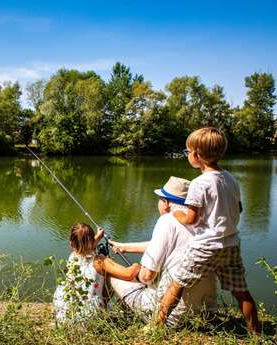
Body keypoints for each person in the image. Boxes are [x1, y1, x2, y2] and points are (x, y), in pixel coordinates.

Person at [156, 128, 259, 333]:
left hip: (205, 246)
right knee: (241, 292)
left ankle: (156, 327)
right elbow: (238, 209)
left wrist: (177, 215)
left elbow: (191, 220)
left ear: (195, 155)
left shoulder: (198, 183)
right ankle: (256, 333)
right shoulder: (231, 179)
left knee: (177, 284)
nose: (188, 156)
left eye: (187, 152)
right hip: (230, 244)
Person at [103, 176, 217, 326]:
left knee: (111, 274)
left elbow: (146, 276)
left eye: (159, 199)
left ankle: (103, 318)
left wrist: (133, 273)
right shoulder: (204, 223)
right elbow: (169, 244)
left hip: (171, 318)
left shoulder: (166, 221)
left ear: (166, 203)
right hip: (205, 315)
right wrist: (125, 246)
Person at [53, 222, 140, 321]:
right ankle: (106, 306)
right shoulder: (100, 261)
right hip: (89, 319)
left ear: (71, 243)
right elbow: (128, 274)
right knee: (109, 276)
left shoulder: (72, 256)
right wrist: (136, 266)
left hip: (66, 316)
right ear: (91, 242)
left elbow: (84, 247)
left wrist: (98, 237)